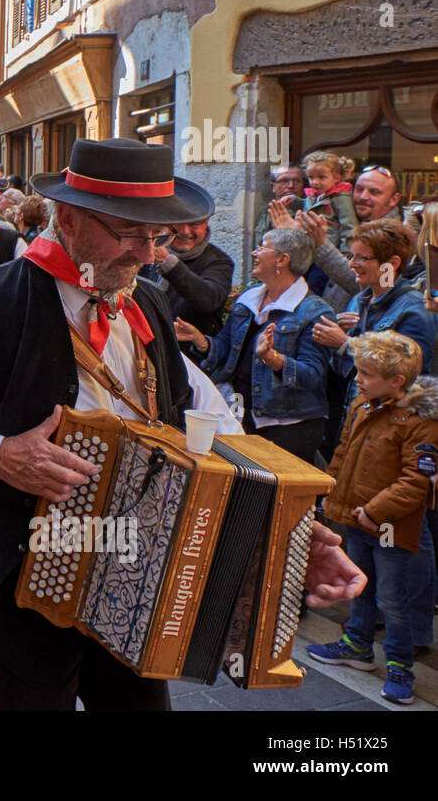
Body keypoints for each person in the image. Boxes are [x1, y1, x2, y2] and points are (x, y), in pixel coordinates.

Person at [0, 137, 367, 710]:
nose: (147, 253)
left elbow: (208, 417)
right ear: (68, 219)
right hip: (25, 565)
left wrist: (287, 528)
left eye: (157, 236)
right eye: (131, 233)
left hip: (138, 562)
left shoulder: (143, 300)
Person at [308, 331, 438, 705]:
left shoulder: (420, 419)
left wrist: (375, 511)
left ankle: (400, 665)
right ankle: (357, 645)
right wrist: (328, 491)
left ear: (396, 381)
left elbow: (419, 480)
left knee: (393, 597)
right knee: (359, 584)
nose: (357, 378)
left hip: (386, 527)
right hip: (353, 517)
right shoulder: (362, 404)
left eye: (365, 373)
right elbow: (343, 451)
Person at [175, 229, 334, 463]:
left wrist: (274, 359)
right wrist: (200, 340)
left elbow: (312, 376)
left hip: (286, 428)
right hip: (238, 414)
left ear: (282, 259)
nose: (254, 253)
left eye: (262, 248)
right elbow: (226, 351)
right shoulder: (249, 298)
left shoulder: (315, 311)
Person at [312, 220, 436, 398]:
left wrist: (345, 344)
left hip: (390, 417)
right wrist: (334, 339)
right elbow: (343, 370)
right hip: (358, 410)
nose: (352, 265)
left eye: (362, 258)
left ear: (392, 263)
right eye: (351, 257)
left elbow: (409, 375)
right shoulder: (359, 300)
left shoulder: (415, 308)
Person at [141, 215, 235, 337]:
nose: (185, 231)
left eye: (194, 224)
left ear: (205, 224)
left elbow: (209, 299)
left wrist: (168, 262)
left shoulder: (219, 262)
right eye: (178, 223)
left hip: (189, 351)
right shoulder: (150, 251)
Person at [300, 151, 358, 250]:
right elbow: (308, 205)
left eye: (322, 177)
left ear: (337, 177)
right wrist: (293, 200)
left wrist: (346, 253)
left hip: (329, 249)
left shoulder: (341, 197)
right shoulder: (316, 194)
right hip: (310, 247)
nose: (315, 182)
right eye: (311, 177)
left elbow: (349, 228)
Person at [253, 164, 307, 239]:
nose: (291, 185)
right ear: (273, 186)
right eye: (284, 181)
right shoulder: (266, 212)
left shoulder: (310, 210)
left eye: (297, 181)